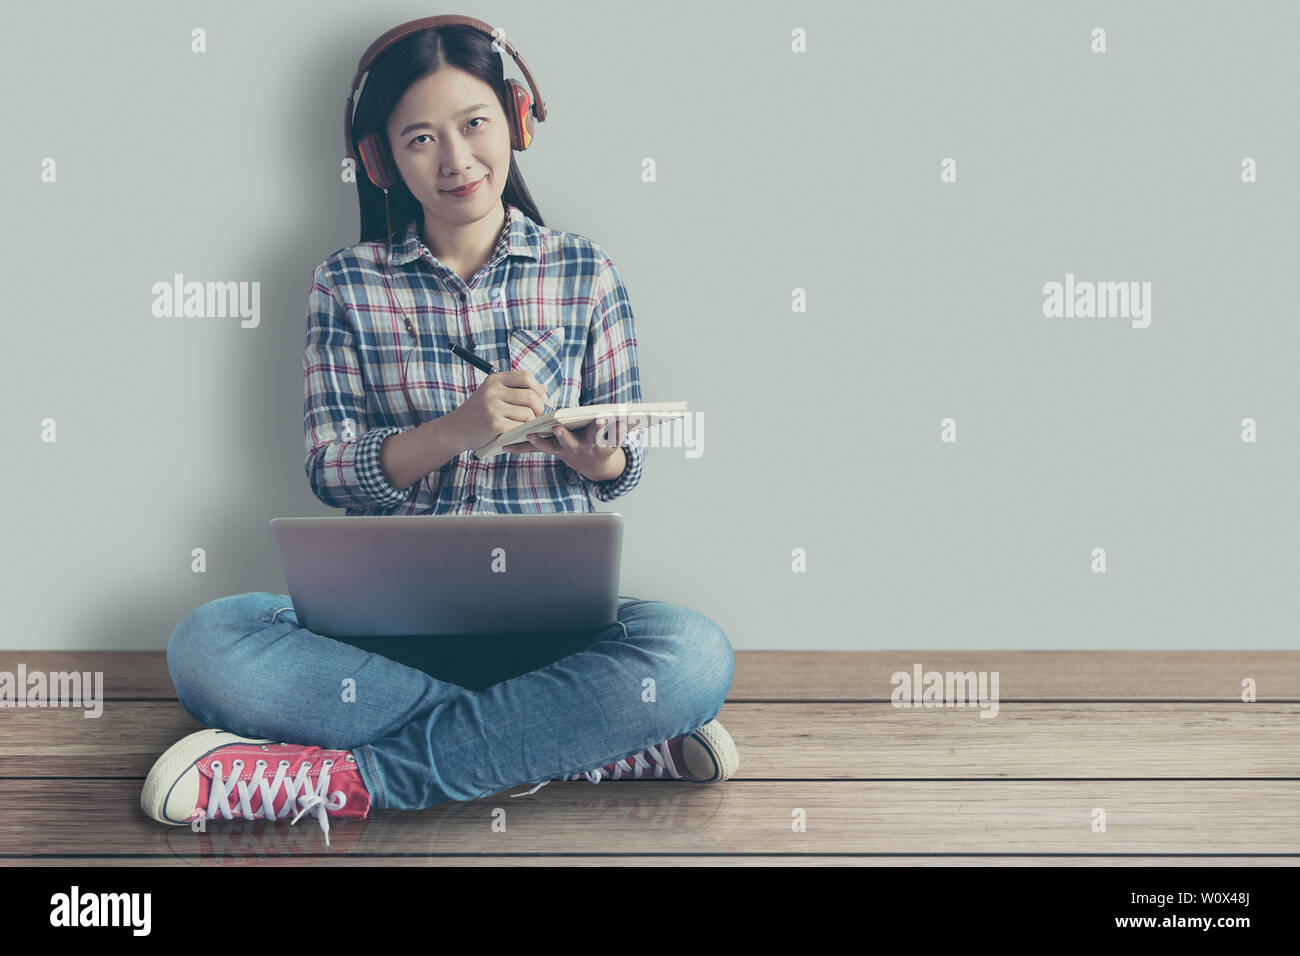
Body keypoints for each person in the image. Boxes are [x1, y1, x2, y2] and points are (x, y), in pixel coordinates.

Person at [141, 16, 737, 845]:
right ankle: (583, 745)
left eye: (475, 123)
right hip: (380, 642)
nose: (456, 159)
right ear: (382, 160)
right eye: (421, 138)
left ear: (517, 122)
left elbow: (623, 460)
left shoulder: (585, 271)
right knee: (209, 642)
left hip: (549, 637)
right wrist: (453, 430)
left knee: (694, 653)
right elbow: (330, 469)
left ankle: (353, 781)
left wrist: (601, 458)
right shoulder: (344, 284)